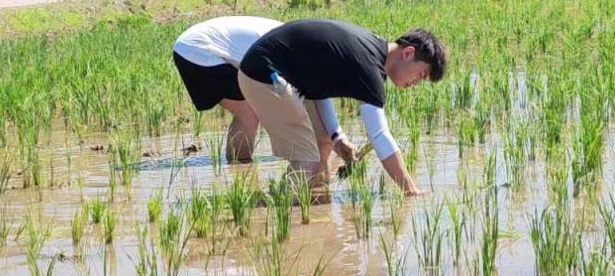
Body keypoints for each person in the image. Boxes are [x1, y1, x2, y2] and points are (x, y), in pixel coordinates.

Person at [238, 20, 447, 195]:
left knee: (323, 142)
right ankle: (277, 213)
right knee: (307, 158)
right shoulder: (369, 67)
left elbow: (319, 91)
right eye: (421, 75)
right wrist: (410, 189)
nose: (415, 84)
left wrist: (336, 137)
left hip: (273, 71)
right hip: (264, 74)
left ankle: (316, 202)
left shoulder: (371, 50)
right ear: (408, 53)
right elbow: (380, 135)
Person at [173, 16, 282, 163]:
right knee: (249, 112)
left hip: (199, 45)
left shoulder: (294, 39)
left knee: (251, 109)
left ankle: (238, 165)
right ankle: (240, 166)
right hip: (198, 49)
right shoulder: (290, 48)